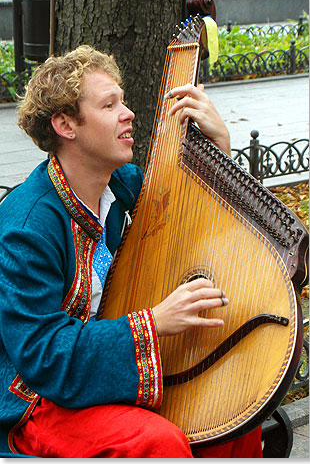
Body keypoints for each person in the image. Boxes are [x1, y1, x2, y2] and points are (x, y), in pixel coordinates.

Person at [0, 45, 262, 458]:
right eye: (110, 105)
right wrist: (153, 322)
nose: (129, 113)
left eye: (123, 100)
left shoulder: (125, 184)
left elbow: (196, 223)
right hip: (38, 402)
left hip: (114, 367)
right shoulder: (28, 226)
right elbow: (43, 357)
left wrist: (221, 146)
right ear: (66, 124)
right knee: (156, 442)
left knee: (236, 405)